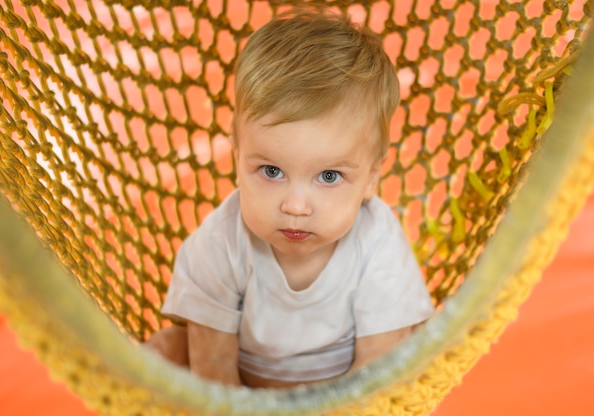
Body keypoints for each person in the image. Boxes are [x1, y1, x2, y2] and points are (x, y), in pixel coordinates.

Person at [146, 7, 435, 389]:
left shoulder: (378, 243)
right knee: (164, 348)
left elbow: (375, 371)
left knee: (415, 349)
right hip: (243, 389)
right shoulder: (221, 240)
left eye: (329, 176)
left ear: (371, 178)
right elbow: (213, 370)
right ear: (237, 154)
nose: (295, 206)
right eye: (271, 171)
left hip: (344, 397)